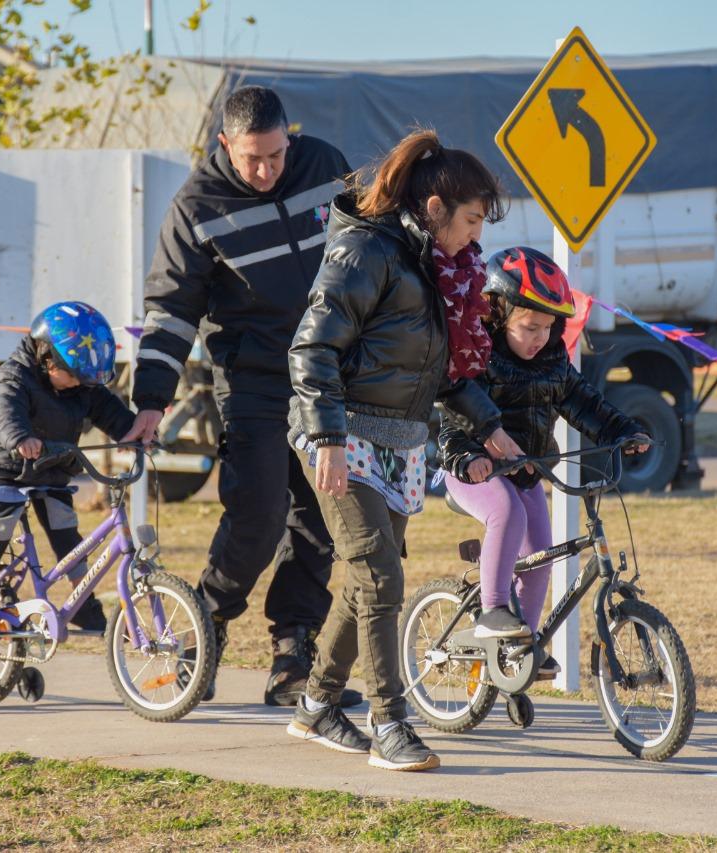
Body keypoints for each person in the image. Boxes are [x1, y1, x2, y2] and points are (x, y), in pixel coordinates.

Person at [286, 129, 524, 771]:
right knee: (379, 575)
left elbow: (437, 371)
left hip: (399, 440)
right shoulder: (366, 251)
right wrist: (329, 437)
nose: (477, 237)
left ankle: (316, 706)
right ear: (436, 208)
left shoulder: (437, 268)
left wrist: (490, 424)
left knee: (361, 582)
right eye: (472, 220)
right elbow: (311, 351)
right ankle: (390, 724)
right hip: (341, 434)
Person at [122, 85, 359, 707]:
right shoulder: (197, 206)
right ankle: (207, 624)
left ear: (292, 136)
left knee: (320, 522)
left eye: (276, 155)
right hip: (252, 380)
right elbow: (171, 312)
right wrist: (151, 398)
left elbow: (373, 252)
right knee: (255, 516)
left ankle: (293, 656)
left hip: (330, 379)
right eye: (252, 158)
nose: (266, 170)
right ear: (225, 144)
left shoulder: (328, 167)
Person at [439, 246, 650, 667]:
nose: (540, 339)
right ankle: (493, 610)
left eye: (548, 329)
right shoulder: (478, 358)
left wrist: (622, 431)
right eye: (529, 327)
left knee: (541, 556)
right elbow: (453, 413)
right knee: (508, 515)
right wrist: (466, 457)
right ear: (499, 315)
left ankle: (523, 647)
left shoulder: (553, 363)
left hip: (525, 472)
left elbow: (585, 404)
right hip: (473, 471)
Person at [0, 301, 136, 633]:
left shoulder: (80, 385)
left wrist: (134, 432)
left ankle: (83, 603)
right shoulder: (14, 375)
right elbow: (5, 410)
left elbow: (108, 409)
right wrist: (20, 437)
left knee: (68, 534)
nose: (80, 384)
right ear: (47, 357)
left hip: (51, 468)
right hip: (6, 467)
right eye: (74, 376)